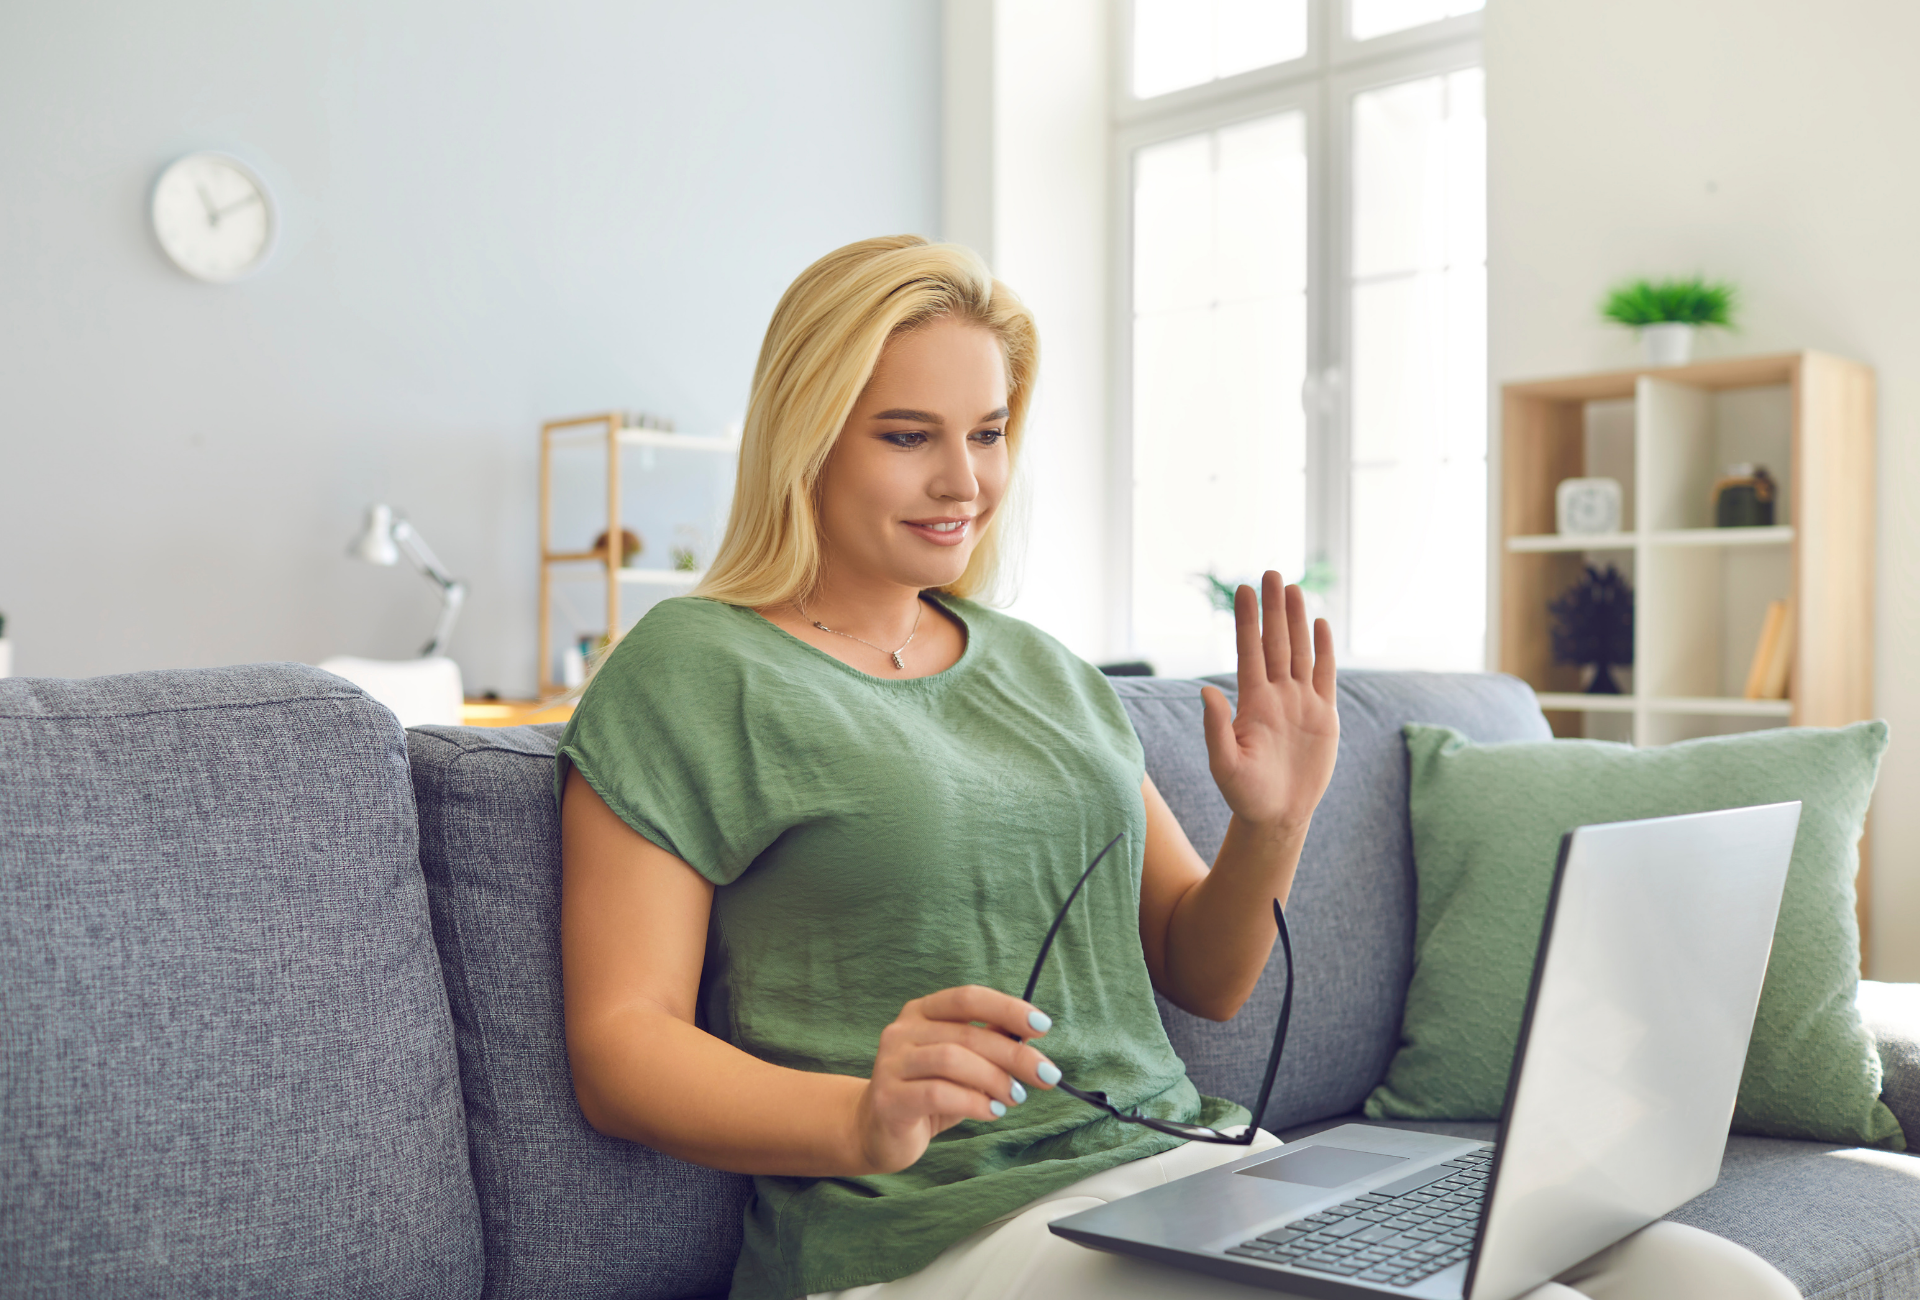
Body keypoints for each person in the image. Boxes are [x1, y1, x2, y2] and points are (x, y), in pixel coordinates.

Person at [554, 236, 1799, 1300]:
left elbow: (1203, 975)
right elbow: (621, 1044)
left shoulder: (1043, 671)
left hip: (1185, 1176)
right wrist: (857, 1117)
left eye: (988, 433)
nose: (965, 481)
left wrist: (1274, 823)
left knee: (1725, 1280)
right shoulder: (696, 666)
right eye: (907, 436)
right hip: (931, 1233)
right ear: (806, 434)